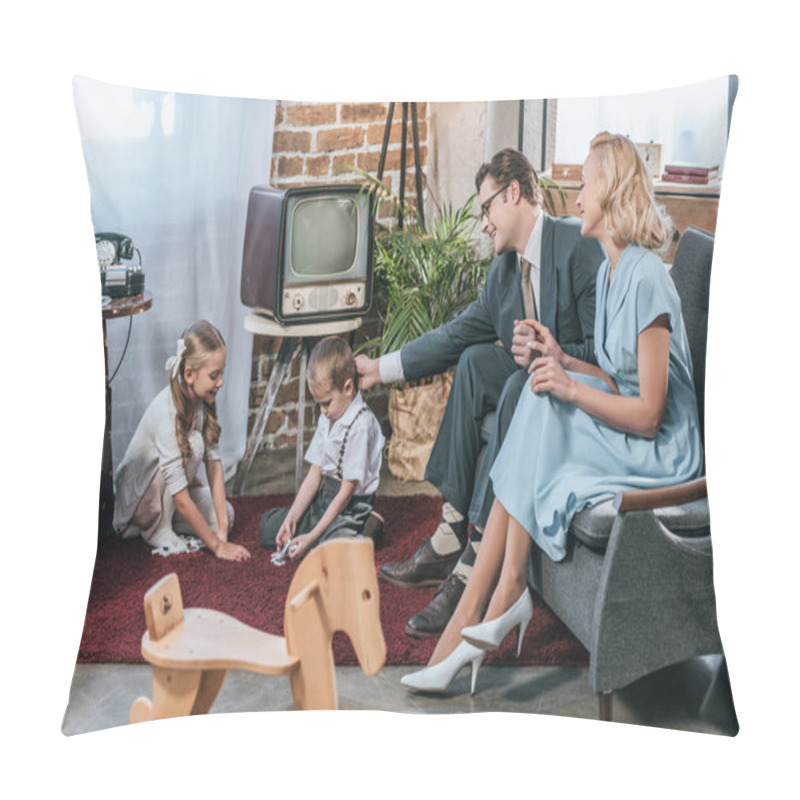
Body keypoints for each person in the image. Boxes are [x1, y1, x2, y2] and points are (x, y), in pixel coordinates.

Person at [400, 132, 705, 693]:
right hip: (632, 425)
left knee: (547, 395)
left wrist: (569, 387)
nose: (576, 193)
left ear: (610, 191)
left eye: (585, 183)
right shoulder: (613, 272)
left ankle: (487, 607)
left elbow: (650, 415)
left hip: (667, 452)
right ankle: (501, 594)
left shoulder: (644, 278)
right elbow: (615, 376)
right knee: (541, 386)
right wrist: (561, 360)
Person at [356, 148, 604, 637]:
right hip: (534, 384)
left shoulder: (578, 246)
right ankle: (451, 531)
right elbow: (452, 337)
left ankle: (474, 559)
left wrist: (548, 352)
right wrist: (376, 371)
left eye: (486, 208)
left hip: (576, 396)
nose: (483, 223)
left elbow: (603, 352)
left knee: (516, 383)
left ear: (513, 193)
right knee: (472, 360)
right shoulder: (503, 274)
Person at [113, 320, 250, 561]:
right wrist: (218, 547)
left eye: (222, 373)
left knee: (227, 512)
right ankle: (157, 527)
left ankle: (170, 521)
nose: (221, 382)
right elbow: (181, 498)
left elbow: (214, 463)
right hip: (141, 498)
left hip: (171, 493)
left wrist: (222, 526)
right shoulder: (166, 413)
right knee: (195, 443)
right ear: (189, 374)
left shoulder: (203, 400)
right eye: (214, 375)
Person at [258, 336, 385, 561]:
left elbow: (346, 492)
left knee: (325, 554)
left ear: (347, 387)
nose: (323, 410)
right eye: (318, 404)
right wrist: (292, 518)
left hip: (351, 506)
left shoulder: (361, 425)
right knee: (267, 528)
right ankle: (325, 534)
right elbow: (315, 474)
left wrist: (311, 536)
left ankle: (367, 528)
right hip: (327, 498)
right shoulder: (329, 416)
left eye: (326, 403)